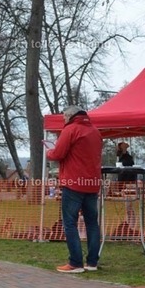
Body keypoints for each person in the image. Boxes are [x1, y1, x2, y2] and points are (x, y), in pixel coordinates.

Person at [46, 106, 102, 273]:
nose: (63, 119)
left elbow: (57, 154)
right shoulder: (95, 131)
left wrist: (49, 151)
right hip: (92, 183)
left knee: (70, 222)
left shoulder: (70, 130)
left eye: (64, 117)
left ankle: (76, 263)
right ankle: (92, 262)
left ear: (70, 116)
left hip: (73, 183)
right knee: (92, 223)